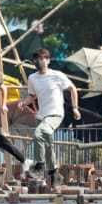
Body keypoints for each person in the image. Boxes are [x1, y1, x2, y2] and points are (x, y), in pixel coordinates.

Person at [17, 48, 81, 184]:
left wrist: (75, 108)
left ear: (47, 60)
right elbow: (32, 95)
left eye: (41, 59)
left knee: (40, 133)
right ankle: (54, 174)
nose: (38, 62)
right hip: (41, 116)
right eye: (36, 59)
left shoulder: (57, 75)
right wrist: (24, 103)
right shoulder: (32, 78)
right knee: (47, 144)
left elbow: (72, 88)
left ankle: (39, 165)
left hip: (56, 113)